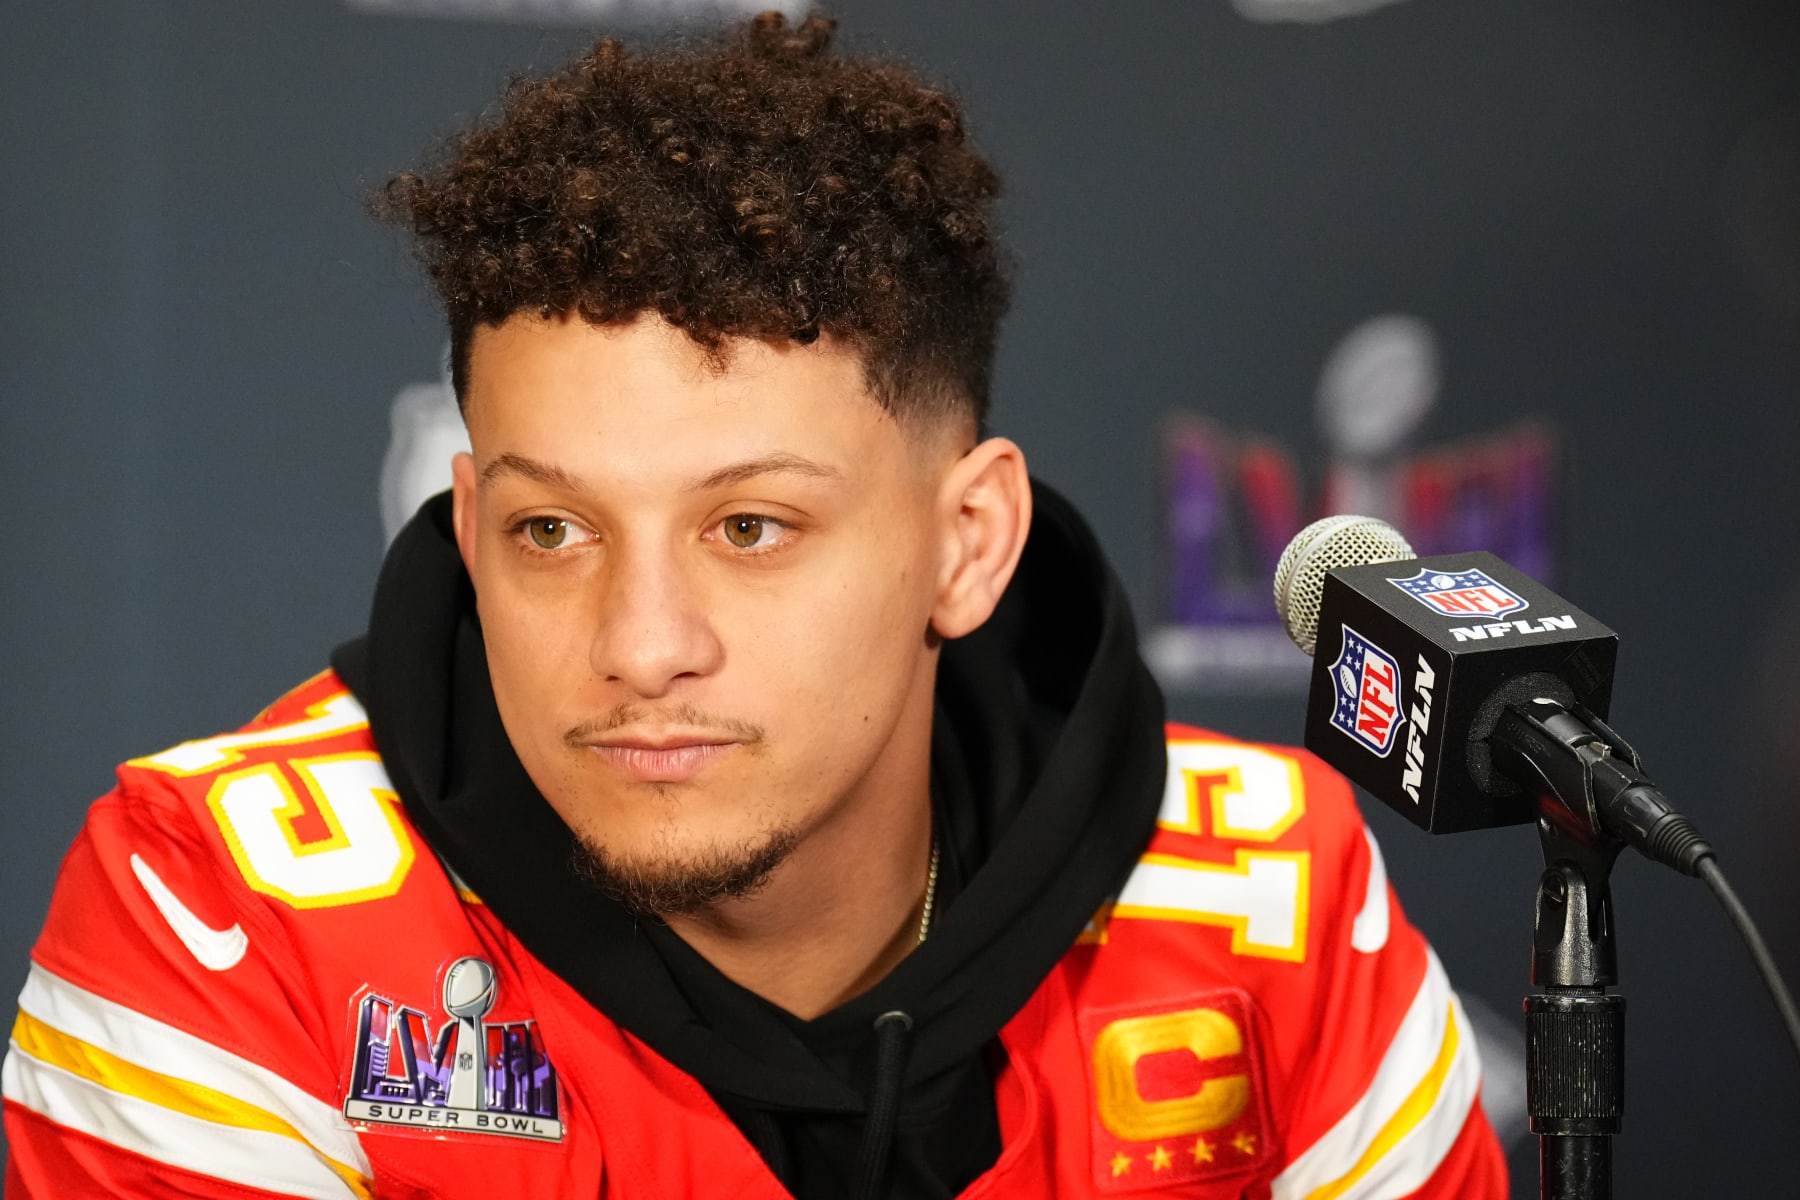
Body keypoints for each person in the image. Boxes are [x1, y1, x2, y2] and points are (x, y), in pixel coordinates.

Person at [0, 13, 1506, 1198]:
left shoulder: (1271, 910)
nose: (642, 644)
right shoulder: (222, 909)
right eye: (550, 528)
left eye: (751, 526)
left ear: (967, 541)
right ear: (463, 529)